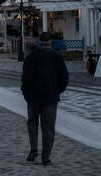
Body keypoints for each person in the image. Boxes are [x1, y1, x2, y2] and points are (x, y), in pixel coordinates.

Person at [21, 32, 69, 165]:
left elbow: (26, 79)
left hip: (33, 98)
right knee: (48, 128)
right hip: (50, 98)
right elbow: (64, 77)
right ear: (51, 42)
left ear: (39, 42)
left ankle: (34, 148)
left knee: (32, 122)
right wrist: (57, 90)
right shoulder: (57, 57)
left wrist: (27, 95)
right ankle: (46, 157)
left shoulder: (32, 57)